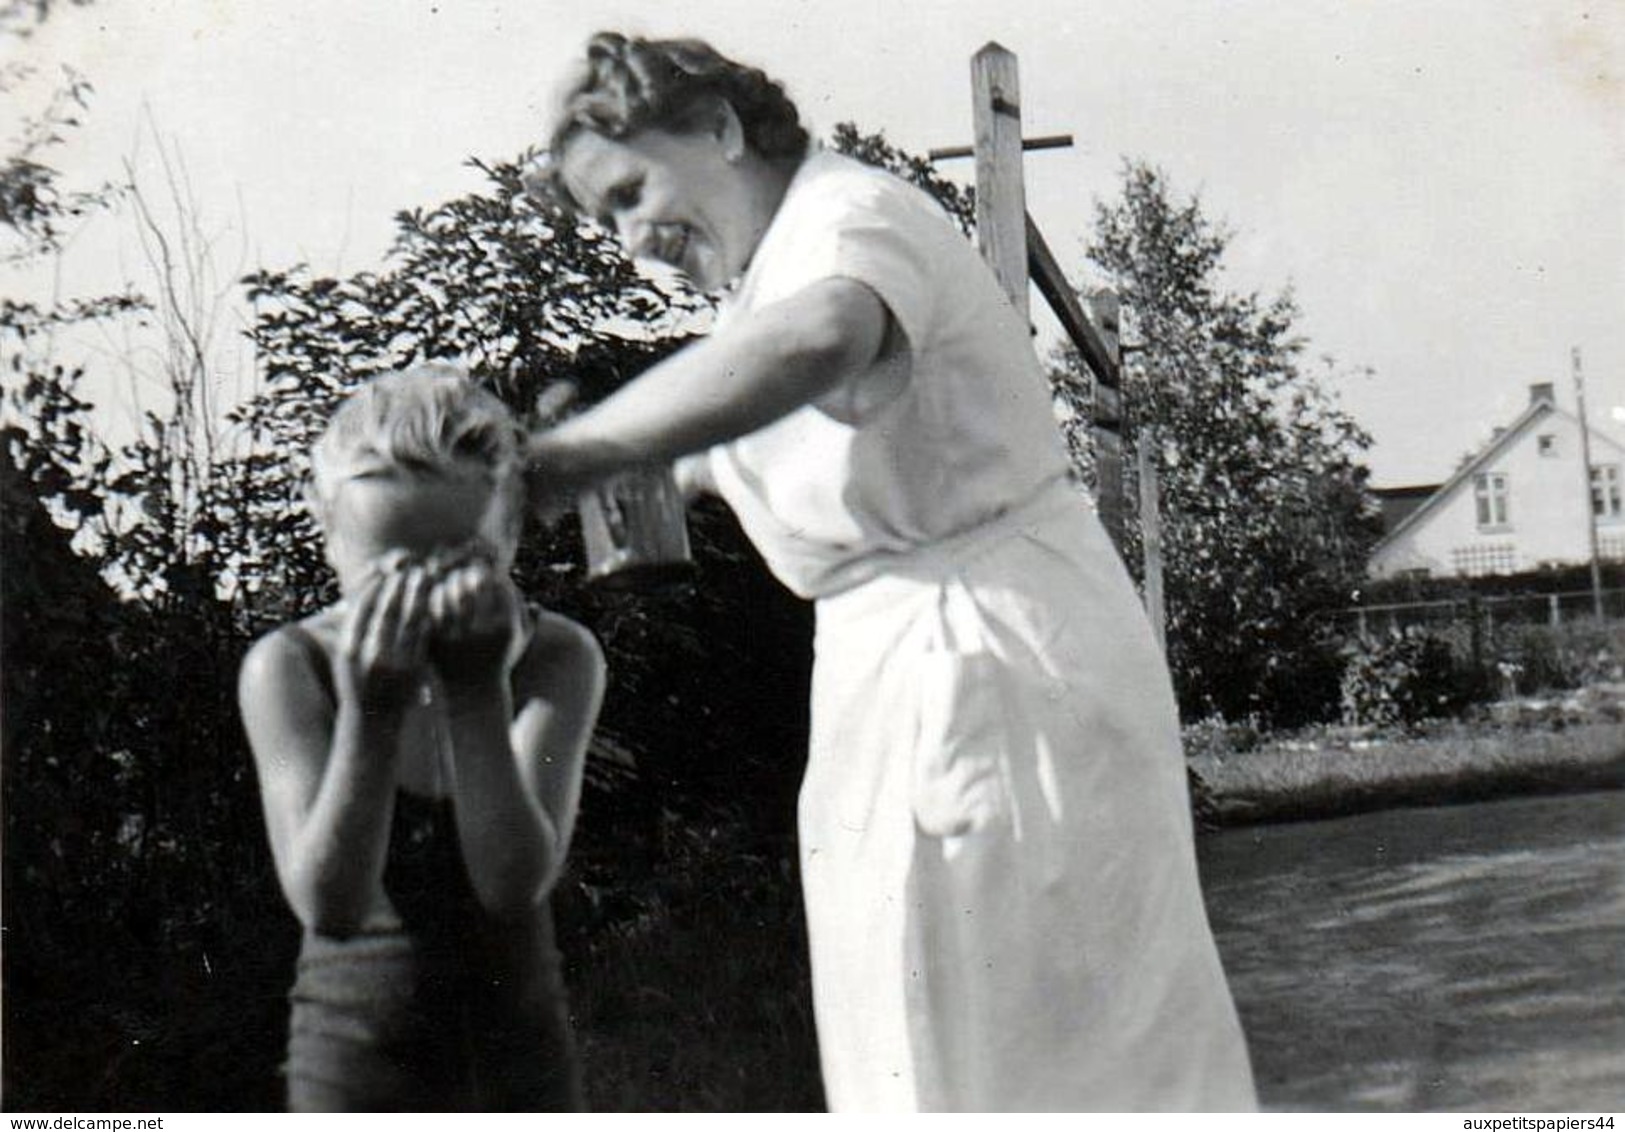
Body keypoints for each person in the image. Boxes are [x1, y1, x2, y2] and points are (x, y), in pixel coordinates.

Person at [524, 33, 1257, 1112]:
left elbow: (822, 337)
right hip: (892, 670)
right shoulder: (756, 292)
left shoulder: (848, 219)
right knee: (920, 1040)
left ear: (720, 129)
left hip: (999, 654)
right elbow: (726, 430)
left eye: (632, 192)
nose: (634, 240)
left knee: (1051, 1045)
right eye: (607, 220)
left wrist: (582, 455)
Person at [237, 363, 604, 1111]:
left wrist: (476, 691)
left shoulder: (553, 657)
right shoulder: (290, 667)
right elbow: (330, 905)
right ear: (327, 530)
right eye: (391, 576)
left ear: (510, 535)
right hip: (354, 1068)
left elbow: (510, 882)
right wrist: (370, 710)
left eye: (464, 566)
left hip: (519, 1063)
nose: (427, 602)